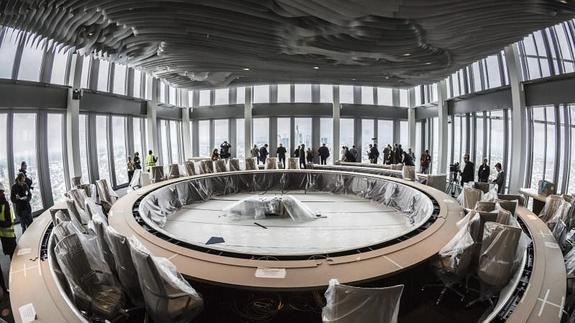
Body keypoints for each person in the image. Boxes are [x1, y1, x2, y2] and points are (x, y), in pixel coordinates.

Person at [0, 183, 12, 295]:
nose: (2, 193)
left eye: (2, 192)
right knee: (8, 253)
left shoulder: (5, 204)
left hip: (9, 234)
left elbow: (9, 222)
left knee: (13, 253)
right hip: (3, 236)